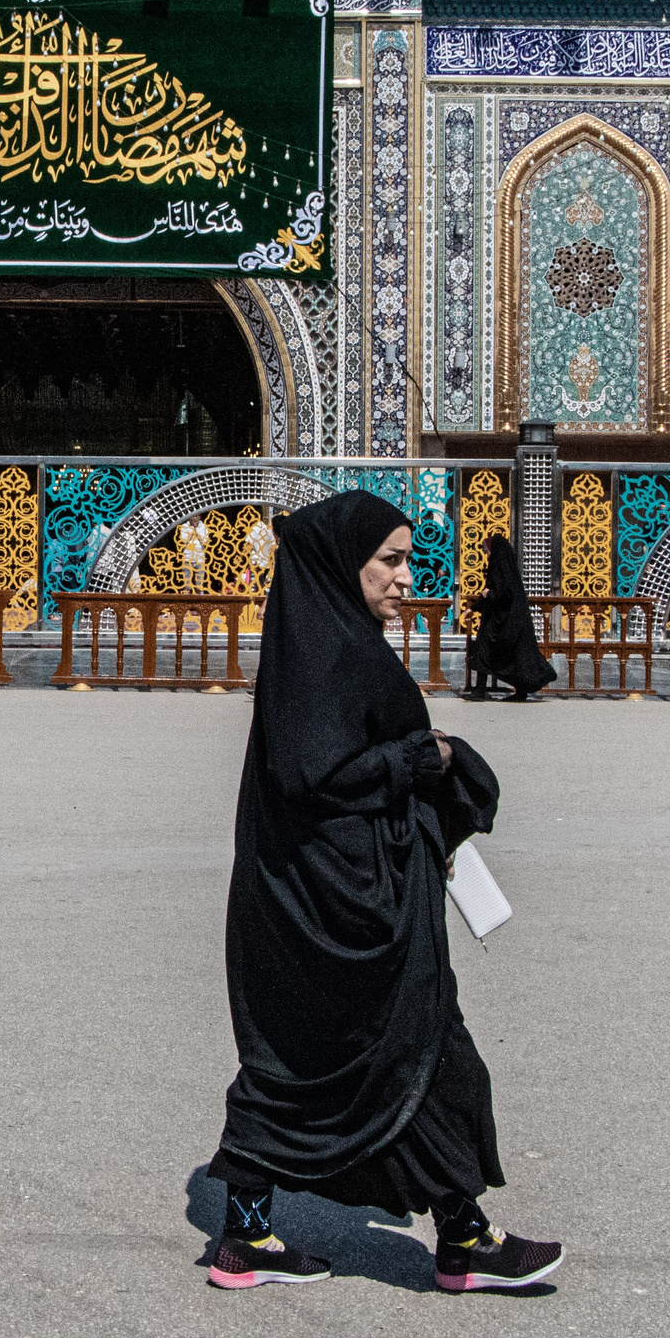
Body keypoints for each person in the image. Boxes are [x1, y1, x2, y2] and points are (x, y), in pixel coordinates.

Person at [205, 492, 561, 1296]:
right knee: (414, 1046)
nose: (406, 577)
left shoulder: (321, 643)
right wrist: (421, 758)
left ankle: (262, 1230)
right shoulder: (333, 656)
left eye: (408, 559)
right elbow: (313, 773)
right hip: (343, 904)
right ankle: (458, 1237)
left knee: (320, 1059)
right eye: (389, 561)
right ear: (344, 564)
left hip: (324, 893)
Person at [464, 533, 554, 702]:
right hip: (507, 620)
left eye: (487, 551)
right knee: (511, 654)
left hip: (504, 621)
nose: (487, 554)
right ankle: (500, 691)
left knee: (493, 652)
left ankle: (481, 691)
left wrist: (489, 594)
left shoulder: (500, 568)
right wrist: (474, 607)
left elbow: (502, 593)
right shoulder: (505, 568)